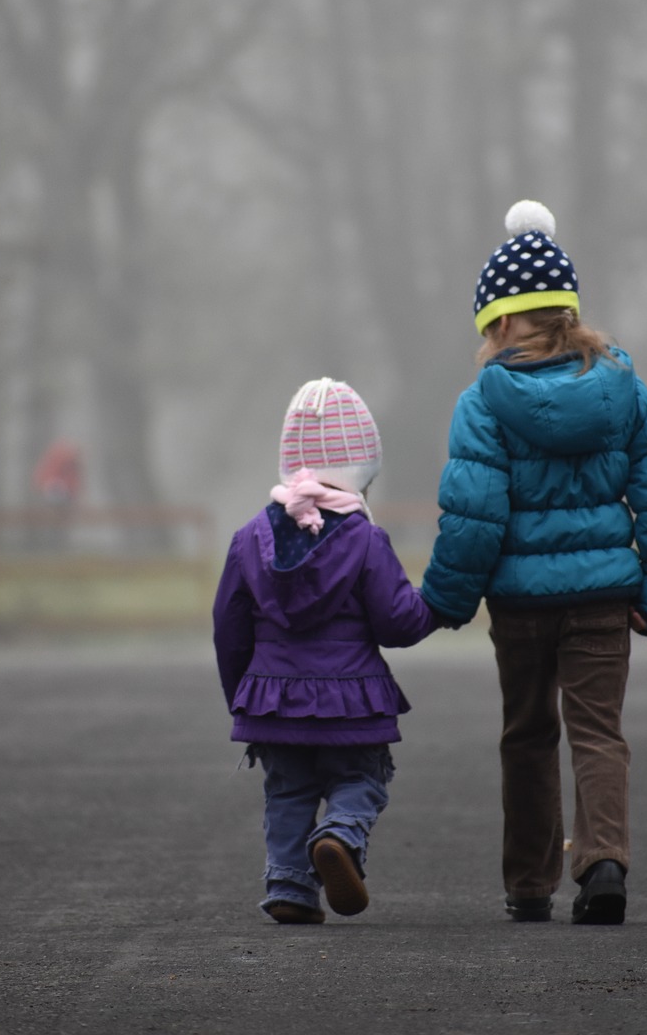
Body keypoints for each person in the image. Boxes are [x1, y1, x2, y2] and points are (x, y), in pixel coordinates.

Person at [421, 200, 647, 926]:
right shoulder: (624, 389)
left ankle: (529, 882)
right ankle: (602, 861)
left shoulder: (482, 402)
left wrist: (445, 599)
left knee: (528, 733)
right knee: (598, 732)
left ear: (503, 321)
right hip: (605, 595)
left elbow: (474, 516)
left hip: (519, 605)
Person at [213, 377, 438, 925]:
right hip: (352, 699)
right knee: (359, 778)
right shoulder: (364, 539)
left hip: (271, 698)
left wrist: (243, 694)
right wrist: (439, 604)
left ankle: (290, 886)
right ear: (363, 466)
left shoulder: (248, 538)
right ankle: (338, 836)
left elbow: (228, 625)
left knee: (288, 792)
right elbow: (396, 622)